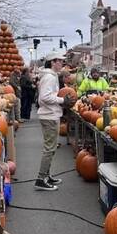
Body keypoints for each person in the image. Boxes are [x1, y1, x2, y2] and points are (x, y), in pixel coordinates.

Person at [35, 51, 75, 191]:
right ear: (52, 62)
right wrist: (62, 100)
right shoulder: (50, 78)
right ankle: (41, 178)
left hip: (51, 115)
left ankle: (46, 175)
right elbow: (44, 97)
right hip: (49, 116)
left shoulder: (50, 76)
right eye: (59, 61)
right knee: (49, 149)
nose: (62, 63)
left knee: (51, 149)